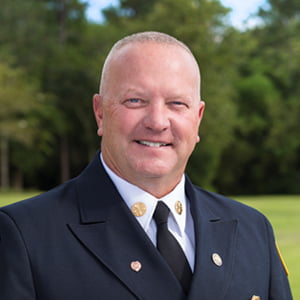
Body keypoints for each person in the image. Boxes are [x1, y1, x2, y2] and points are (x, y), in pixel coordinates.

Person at [0, 31, 292, 300]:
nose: (157, 122)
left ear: (198, 118)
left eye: (177, 103)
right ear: (100, 113)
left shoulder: (252, 230)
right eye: (135, 100)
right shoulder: (23, 236)